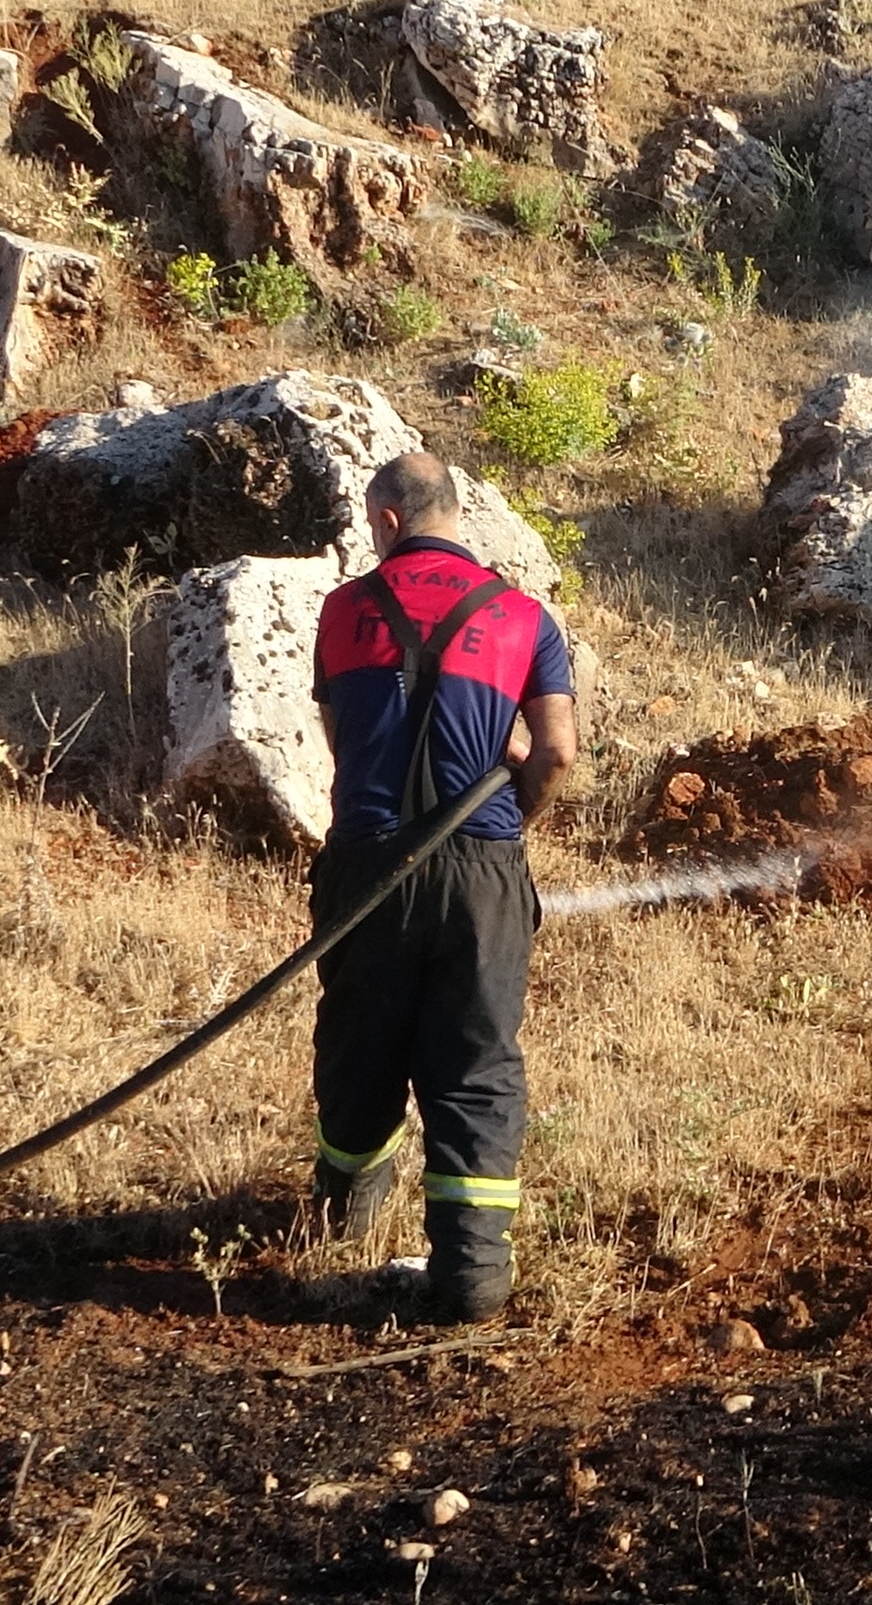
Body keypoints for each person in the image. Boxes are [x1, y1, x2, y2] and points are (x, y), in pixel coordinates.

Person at [303, 450, 581, 1323]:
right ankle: (472, 1277)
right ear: (457, 515)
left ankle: (342, 1219)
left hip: (367, 865)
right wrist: (506, 821)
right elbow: (557, 752)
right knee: (475, 1062)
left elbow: (344, 738)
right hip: (482, 874)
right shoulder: (524, 617)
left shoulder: (342, 611)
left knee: (360, 1043)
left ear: (387, 521)